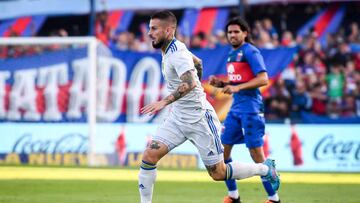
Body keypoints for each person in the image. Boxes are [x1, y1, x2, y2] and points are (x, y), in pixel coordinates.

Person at [138, 11, 280, 203]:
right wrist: (196, 79)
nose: (149, 33)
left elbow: (189, 83)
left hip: (199, 119)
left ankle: (264, 169)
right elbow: (198, 62)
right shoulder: (172, 49)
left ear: (169, 30)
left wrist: (164, 102)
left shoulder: (177, 53)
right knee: (149, 156)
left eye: (154, 29)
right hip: (178, 118)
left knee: (218, 173)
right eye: (149, 28)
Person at [209, 17, 281, 203]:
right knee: (222, 153)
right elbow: (239, 81)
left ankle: (274, 199)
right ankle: (234, 196)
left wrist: (237, 88)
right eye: (230, 32)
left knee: (256, 155)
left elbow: (263, 79)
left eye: (236, 32)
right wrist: (223, 84)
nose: (232, 35)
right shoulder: (232, 54)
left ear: (245, 33)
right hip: (236, 110)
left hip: (252, 109)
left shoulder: (251, 51)